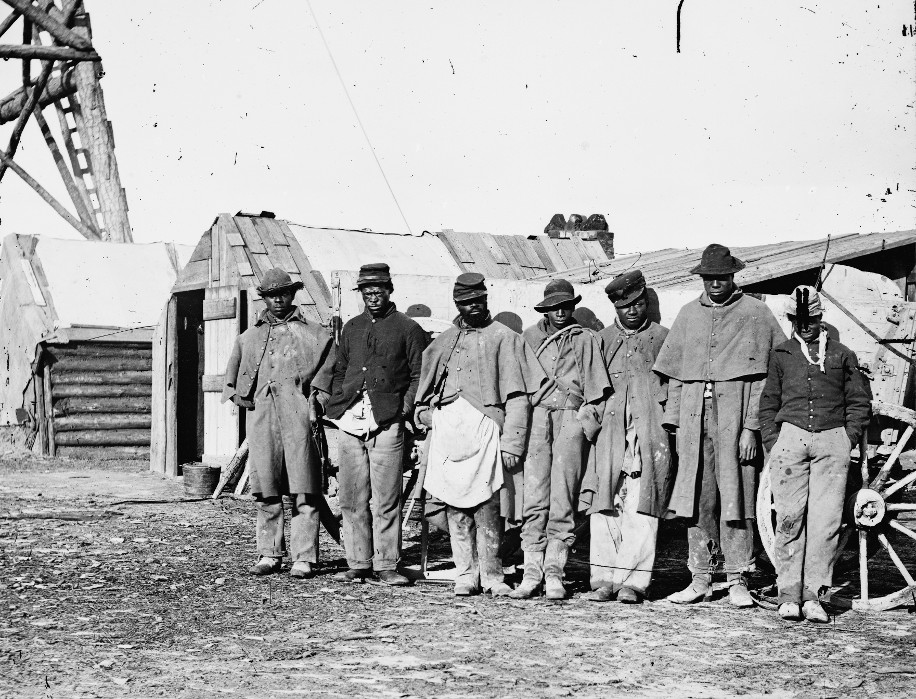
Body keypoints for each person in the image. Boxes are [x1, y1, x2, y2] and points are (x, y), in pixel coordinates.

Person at [654, 244, 786, 606]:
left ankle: (738, 579)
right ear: (702, 278)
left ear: (733, 276)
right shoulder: (688, 315)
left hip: (736, 418)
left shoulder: (757, 314)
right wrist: (677, 423)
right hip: (695, 421)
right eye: (709, 278)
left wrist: (750, 428)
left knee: (737, 495)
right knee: (698, 498)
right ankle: (699, 578)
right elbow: (677, 378)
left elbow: (767, 378)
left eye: (722, 277)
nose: (716, 284)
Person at [414, 272, 546, 596]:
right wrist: (428, 417)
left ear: (486, 300)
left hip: (487, 434)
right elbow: (420, 403)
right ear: (457, 304)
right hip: (449, 437)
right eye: (466, 302)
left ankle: (492, 575)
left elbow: (519, 398)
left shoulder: (505, 338)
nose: (473, 307)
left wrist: (513, 442)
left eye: (478, 300)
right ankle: (465, 573)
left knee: (488, 507)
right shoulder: (442, 343)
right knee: (454, 508)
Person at [759, 285, 870, 622]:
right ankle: (788, 594)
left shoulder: (841, 354)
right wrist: (774, 442)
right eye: (798, 319)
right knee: (790, 518)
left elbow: (858, 401)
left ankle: (814, 596)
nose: (804, 325)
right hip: (790, 443)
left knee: (826, 522)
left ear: (821, 318)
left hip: (831, 442)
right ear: (791, 319)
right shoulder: (782, 355)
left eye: (811, 318)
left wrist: (846, 438)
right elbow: (769, 403)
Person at [222, 268, 335, 579]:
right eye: (273, 295)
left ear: (293, 294)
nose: (279, 300)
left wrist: (317, 400)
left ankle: (304, 557)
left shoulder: (315, 335)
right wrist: (245, 400)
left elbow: (329, 374)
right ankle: (270, 553)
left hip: (299, 417)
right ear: (265, 298)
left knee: (304, 488)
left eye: (284, 293)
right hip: (263, 420)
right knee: (266, 488)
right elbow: (231, 383)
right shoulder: (248, 337)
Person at [324, 263, 429, 586]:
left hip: (387, 422)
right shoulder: (352, 328)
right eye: (367, 292)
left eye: (378, 291)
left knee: (386, 497)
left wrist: (403, 409)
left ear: (389, 290)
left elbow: (418, 375)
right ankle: (358, 562)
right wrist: (340, 398)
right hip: (350, 422)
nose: (373, 297)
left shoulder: (408, 329)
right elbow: (340, 369)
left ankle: (386, 564)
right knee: (352, 497)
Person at [510, 279, 610, 600]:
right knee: (534, 493)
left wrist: (584, 422)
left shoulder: (585, 339)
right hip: (538, 419)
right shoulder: (528, 339)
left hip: (570, 419)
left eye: (566, 305)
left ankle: (555, 572)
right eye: (555, 306)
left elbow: (598, 391)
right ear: (545, 309)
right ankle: (531, 571)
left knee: (563, 494)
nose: (561, 312)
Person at [581, 269, 673, 604]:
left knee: (643, 505)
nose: (632, 311)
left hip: (650, 434)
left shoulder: (663, 338)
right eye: (625, 306)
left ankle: (632, 583)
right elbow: (588, 393)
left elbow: (674, 388)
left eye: (638, 303)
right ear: (615, 308)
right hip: (609, 435)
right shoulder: (601, 340)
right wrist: (592, 429)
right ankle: (604, 580)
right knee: (604, 504)